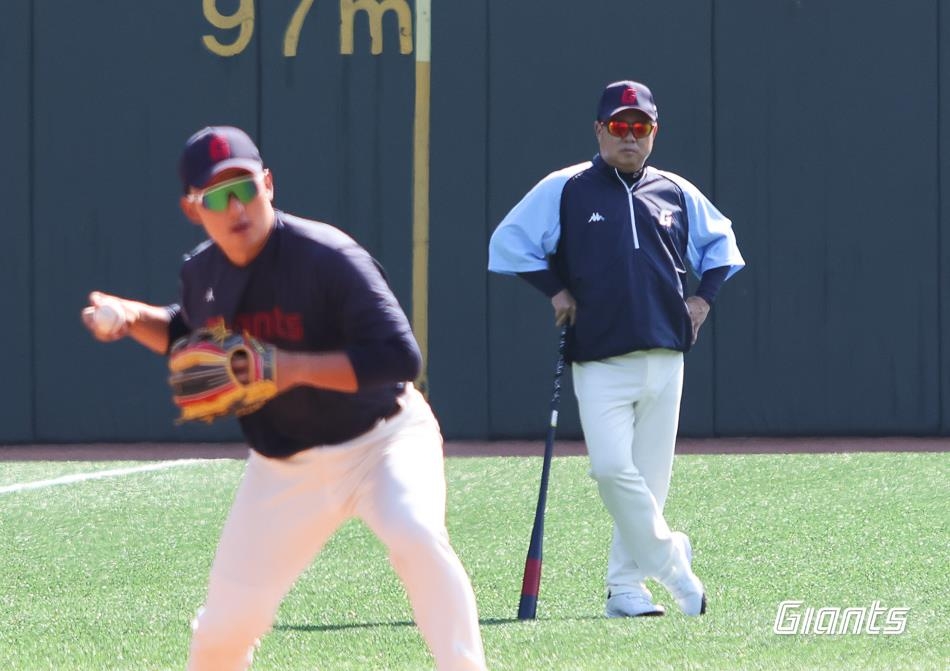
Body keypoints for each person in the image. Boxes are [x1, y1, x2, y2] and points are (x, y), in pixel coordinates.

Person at [82, 126, 487, 670]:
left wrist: (286, 368)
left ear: (268, 185)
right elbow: (188, 337)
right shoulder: (202, 272)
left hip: (383, 442)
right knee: (222, 633)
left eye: (244, 188)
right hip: (284, 468)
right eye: (217, 197)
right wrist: (133, 318)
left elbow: (399, 357)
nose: (235, 207)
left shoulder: (327, 255)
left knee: (415, 534)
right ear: (192, 209)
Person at [488, 81, 744, 618]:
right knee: (609, 470)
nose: (630, 136)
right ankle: (674, 564)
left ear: (653, 132)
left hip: (666, 357)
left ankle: (626, 590)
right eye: (620, 126)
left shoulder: (675, 189)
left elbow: (722, 246)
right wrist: (554, 291)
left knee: (649, 483)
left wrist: (702, 302)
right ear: (600, 130)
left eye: (641, 127)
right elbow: (509, 244)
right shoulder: (567, 187)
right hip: (599, 359)